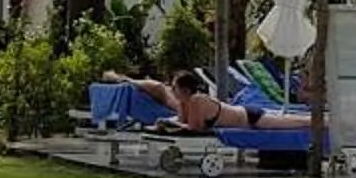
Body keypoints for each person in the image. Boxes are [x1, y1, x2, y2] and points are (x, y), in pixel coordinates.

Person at [104, 69, 306, 132]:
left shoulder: (197, 101)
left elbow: (193, 128)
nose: (171, 89)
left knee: (295, 122)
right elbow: (181, 122)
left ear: (184, 89)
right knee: (289, 118)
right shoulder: (184, 102)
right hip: (243, 114)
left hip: (251, 117)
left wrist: (166, 123)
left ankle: (324, 121)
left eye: (174, 86)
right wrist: (162, 124)